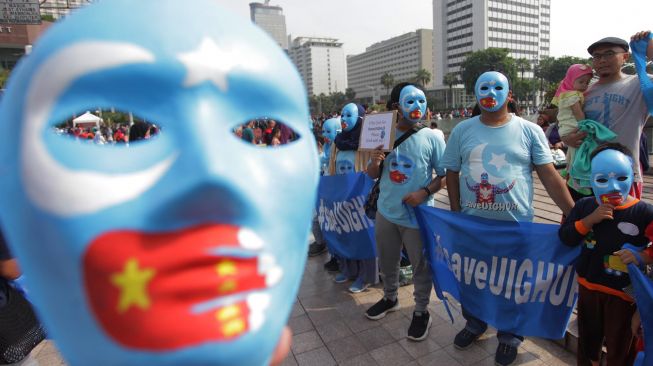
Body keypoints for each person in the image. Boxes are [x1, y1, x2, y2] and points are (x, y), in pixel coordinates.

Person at [440, 71, 574, 366]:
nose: (491, 92)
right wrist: (456, 214)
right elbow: (451, 172)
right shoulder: (462, 131)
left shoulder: (529, 131)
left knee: (512, 283)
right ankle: (474, 323)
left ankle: (510, 336)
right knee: (472, 279)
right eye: (484, 87)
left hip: (516, 227)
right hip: (473, 226)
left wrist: (573, 214)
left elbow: (550, 176)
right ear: (475, 94)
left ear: (509, 94)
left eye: (498, 87)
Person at [559, 143, 653, 366]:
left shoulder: (644, 212)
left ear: (633, 175)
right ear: (590, 179)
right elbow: (566, 236)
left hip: (624, 296)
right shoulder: (583, 206)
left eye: (621, 178)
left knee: (621, 347)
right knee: (587, 344)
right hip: (588, 288)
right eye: (602, 180)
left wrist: (644, 257)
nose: (613, 187)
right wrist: (590, 220)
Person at [365, 83, 445, 341]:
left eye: (422, 101)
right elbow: (372, 174)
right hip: (386, 212)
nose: (417, 107)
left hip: (417, 216)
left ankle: (421, 311)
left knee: (421, 265)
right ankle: (390, 297)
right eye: (410, 101)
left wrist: (424, 192)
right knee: (387, 260)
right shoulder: (382, 134)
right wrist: (375, 161)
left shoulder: (432, 137)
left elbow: (443, 176)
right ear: (397, 106)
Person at [562, 31, 653, 201]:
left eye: (609, 54)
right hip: (584, 175)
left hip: (622, 174)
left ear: (625, 57)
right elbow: (565, 123)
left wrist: (649, 49)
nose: (602, 60)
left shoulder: (639, 84)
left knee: (624, 225)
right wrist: (567, 139)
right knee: (580, 224)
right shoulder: (583, 92)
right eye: (596, 56)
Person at [327, 103, 377, 293]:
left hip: (361, 197)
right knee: (345, 233)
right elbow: (332, 168)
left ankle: (366, 276)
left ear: (361, 118)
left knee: (363, 235)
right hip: (342, 196)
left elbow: (374, 167)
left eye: (349, 115)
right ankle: (348, 270)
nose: (344, 119)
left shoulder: (368, 142)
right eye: (342, 114)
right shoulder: (337, 142)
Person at [551, 64, 601, 195]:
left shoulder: (565, 94)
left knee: (573, 151)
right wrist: (586, 125)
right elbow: (578, 114)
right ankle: (578, 181)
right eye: (581, 82)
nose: (584, 85)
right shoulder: (573, 95)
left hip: (565, 129)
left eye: (587, 82)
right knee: (582, 153)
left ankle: (568, 169)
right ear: (570, 80)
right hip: (573, 127)